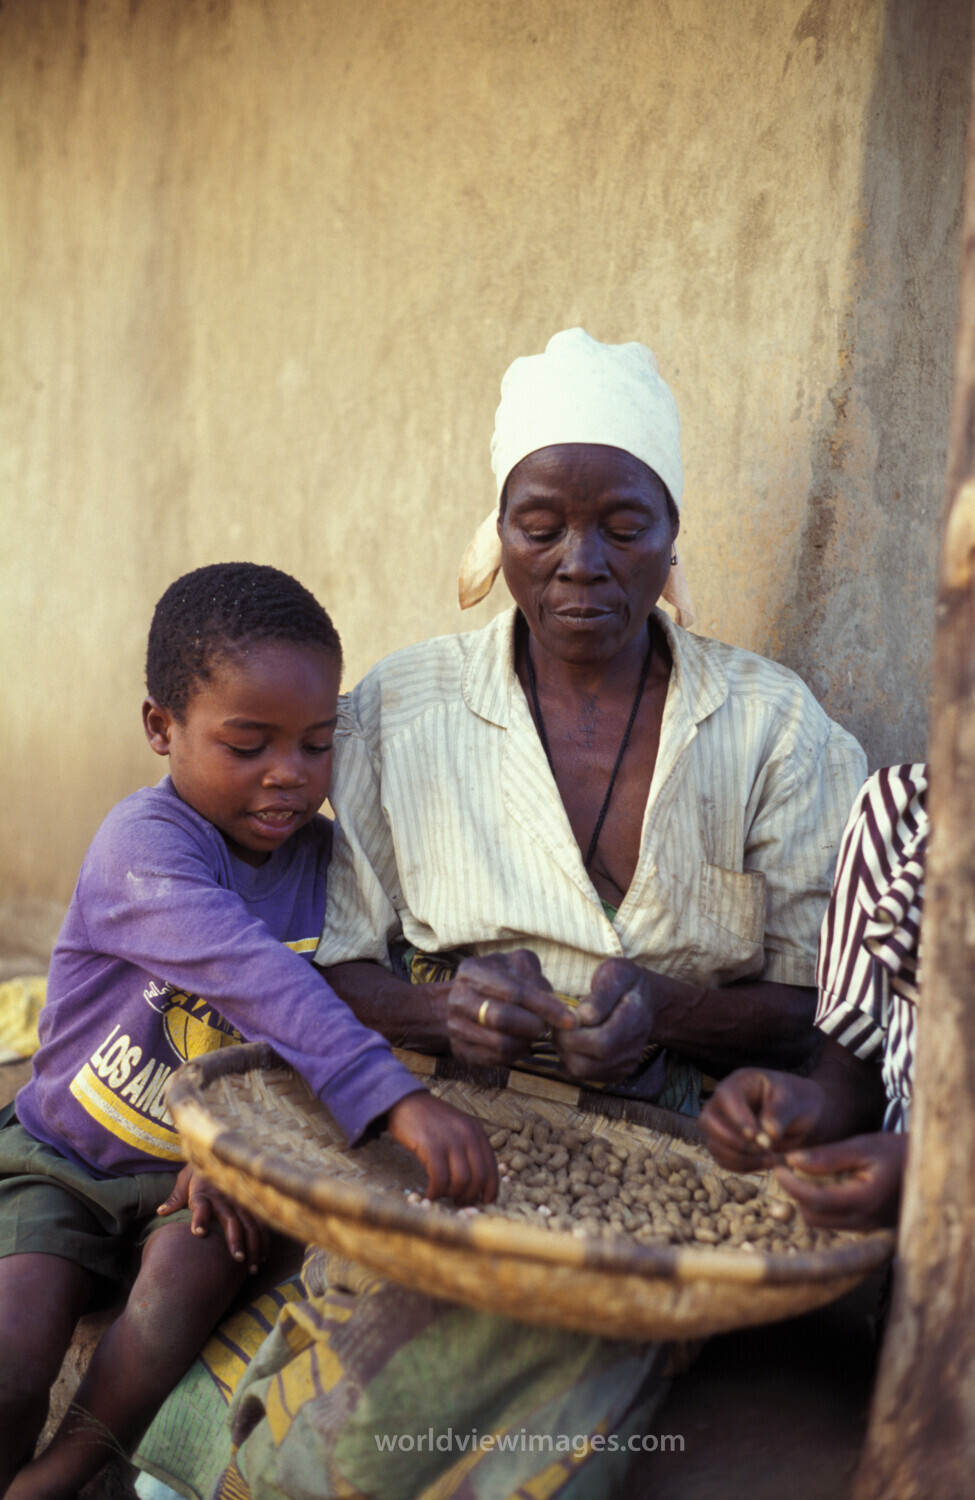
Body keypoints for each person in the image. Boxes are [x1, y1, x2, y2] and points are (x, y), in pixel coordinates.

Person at [208, 329, 868, 1500]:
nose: (581, 561)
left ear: (671, 540)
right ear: (499, 532)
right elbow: (340, 964)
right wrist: (442, 1006)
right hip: (470, 1110)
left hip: (685, 1134)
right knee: (384, 1389)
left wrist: (668, 1017)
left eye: (624, 526)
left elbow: (833, 1000)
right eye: (541, 524)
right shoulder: (402, 713)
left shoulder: (774, 727)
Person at [0, 562, 496, 1500]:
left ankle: (67, 1473)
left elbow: (348, 1002)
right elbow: (254, 976)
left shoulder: (334, 868)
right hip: (67, 1157)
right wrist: (395, 1100)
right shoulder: (142, 847)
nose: (289, 775)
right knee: (14, 1359)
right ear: (161, 728)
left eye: (316, 745)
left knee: (187, 1277)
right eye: (249, 743)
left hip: (212, 1167)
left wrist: (238, 1149)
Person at [702, 763, 923, 1231]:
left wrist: (933, 1171)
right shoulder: (897, 814)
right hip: (908, 1264)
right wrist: (802, 1110)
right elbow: (853, 1072)